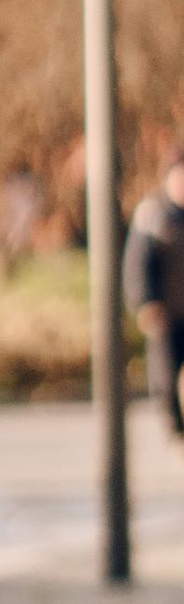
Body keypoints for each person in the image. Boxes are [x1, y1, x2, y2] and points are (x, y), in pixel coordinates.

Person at [125, 156, 184, 436]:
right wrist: (145, 301)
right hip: (167, 311)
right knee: (166, 374)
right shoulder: (153, 214)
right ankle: (175, 426)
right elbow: (137, 262)